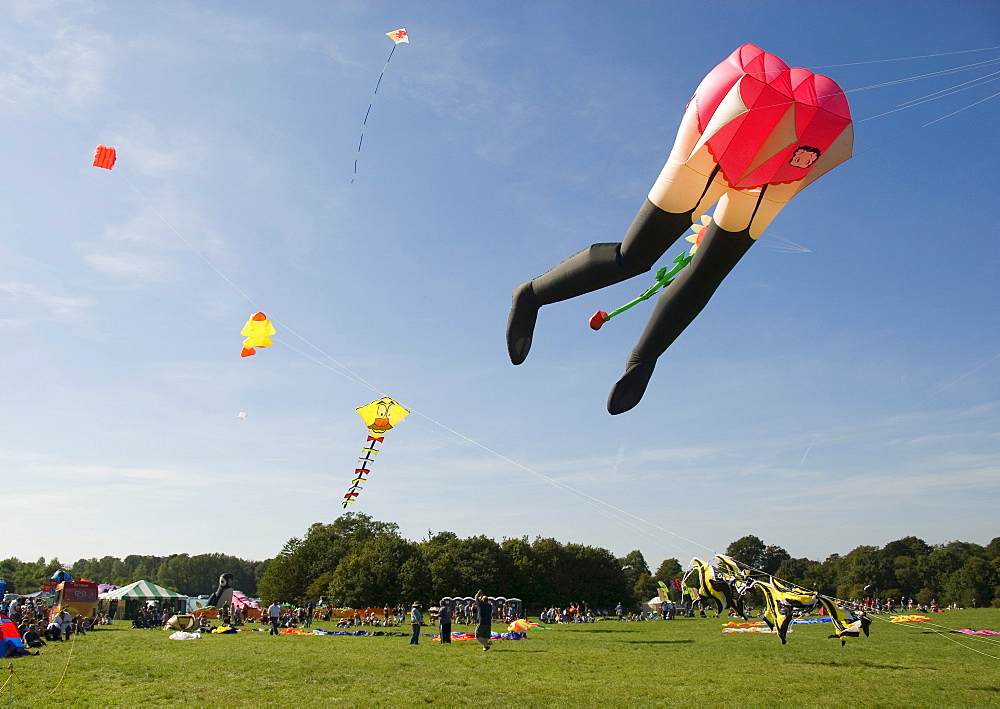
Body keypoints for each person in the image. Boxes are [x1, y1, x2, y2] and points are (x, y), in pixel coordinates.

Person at [506, 44, 853, 415]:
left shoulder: (821, 127)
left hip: (785, 165)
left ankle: (642, 360)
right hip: (720, 126)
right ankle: (531, 295)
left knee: (706, 274)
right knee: (635, 257)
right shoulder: (753, 87)